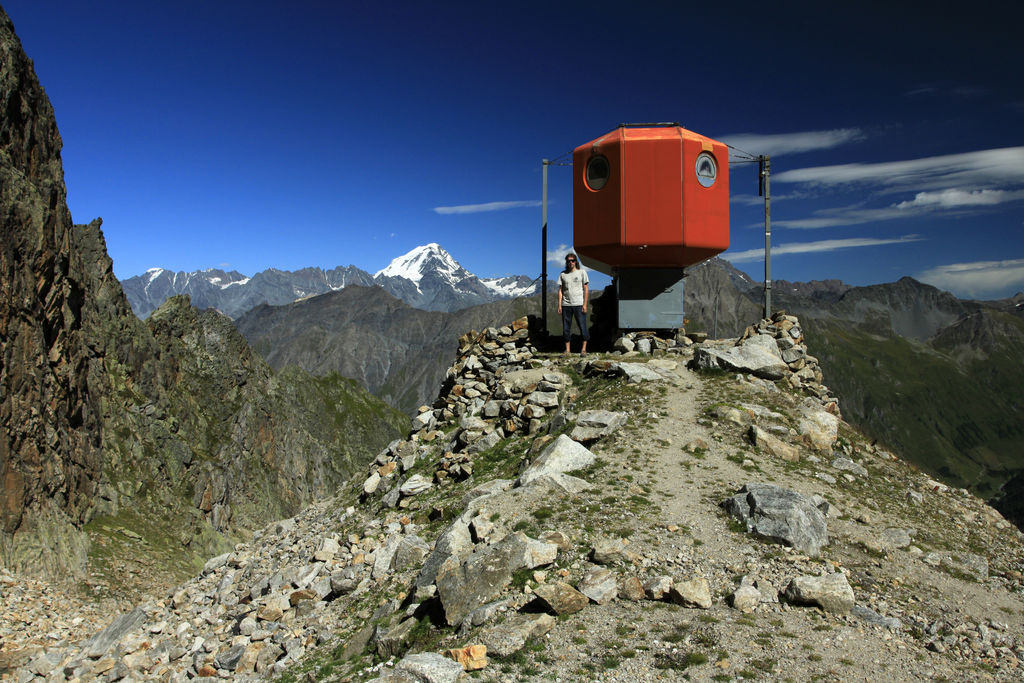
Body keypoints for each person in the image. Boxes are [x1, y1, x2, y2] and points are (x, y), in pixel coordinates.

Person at [557, 252, 589, 355]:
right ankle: (567, 350)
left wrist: (585, 304)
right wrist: (559, 305)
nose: (571, 262)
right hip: (566, 305)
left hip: (579, 304)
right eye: (568, 261)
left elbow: (586, 289)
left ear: (576, 262)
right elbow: (560, 290)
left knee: (582, 326)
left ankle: (583, 349)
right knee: (566, 328)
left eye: (572, 260)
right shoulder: (563, 274)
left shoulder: (582, 272)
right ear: (566, 262)